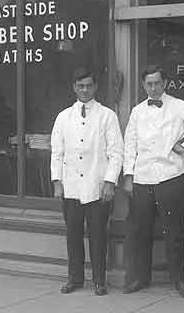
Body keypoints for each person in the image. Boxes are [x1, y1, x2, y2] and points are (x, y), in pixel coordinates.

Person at [122, 65, 184, 298]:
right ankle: (141, 279)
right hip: (143, 178)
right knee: (141, 231)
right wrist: (128, 177)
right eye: (149, 83)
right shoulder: (137, 112)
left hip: (172, 176)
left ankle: (179, 280)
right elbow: (129, 145)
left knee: (174, 231)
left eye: (157, 83)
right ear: (143, 85)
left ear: (165, 84)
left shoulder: (178, 106)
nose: (153, 88)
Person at [50, 68, 123, 296]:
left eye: (89, 86)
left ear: (95, 87)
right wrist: (57, 182)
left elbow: (116, 153)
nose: (84, 90)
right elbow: (57, 152)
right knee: (73, 236)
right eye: (80, 86)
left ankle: (99, 281)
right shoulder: (63, 117)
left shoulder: (107, 116)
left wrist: (110, 182)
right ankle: (75, 278)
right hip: (71, 187)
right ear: (74, 87)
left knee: (98, 236)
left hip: (96, 187)